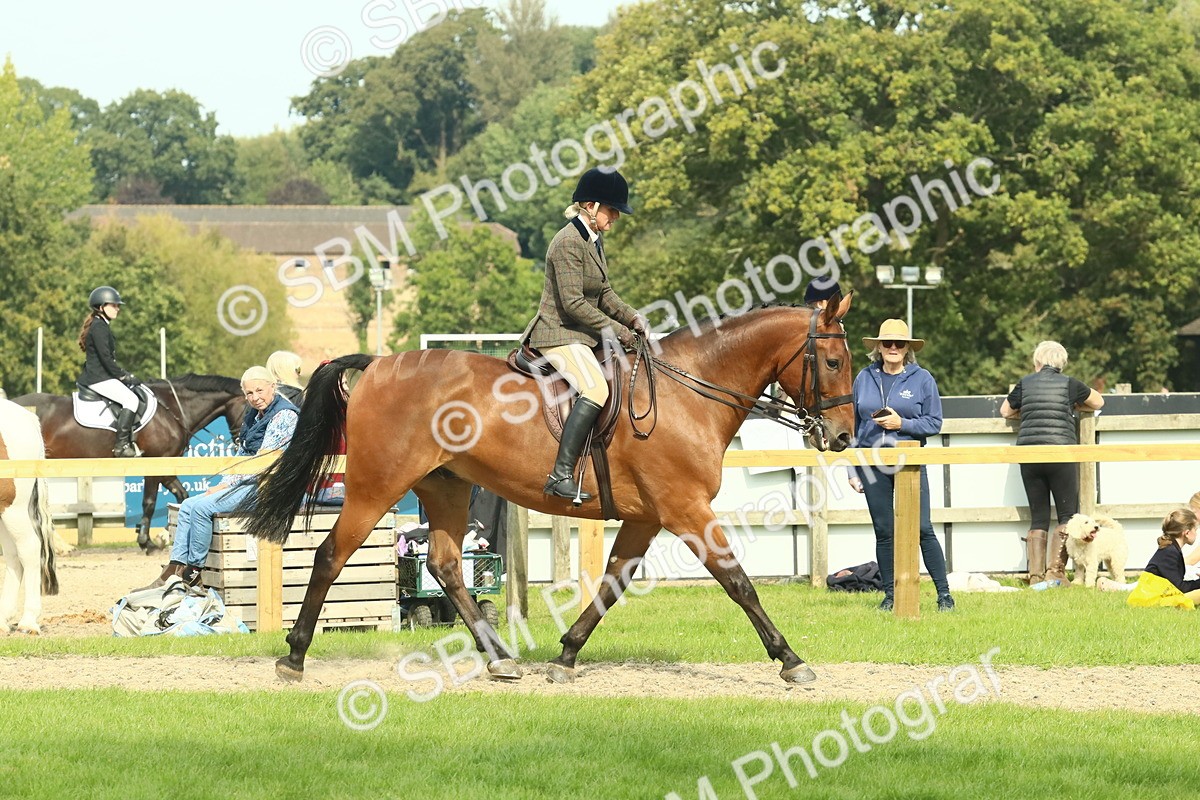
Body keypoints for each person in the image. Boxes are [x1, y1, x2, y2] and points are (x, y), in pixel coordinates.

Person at [522, 166, 647, 502]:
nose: (616, 217)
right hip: (557, 334)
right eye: (611, 209)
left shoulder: (593, 240)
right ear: (590, 206)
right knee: (595, 387)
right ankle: (559, 473)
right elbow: (574, 304)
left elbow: (604, 292)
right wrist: (619, 331)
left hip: (581, 336)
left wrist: (632, 317)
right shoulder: (566, 242)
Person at [135, 366, 299, 590]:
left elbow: (263, 462)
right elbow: (243, 453)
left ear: (273, 387)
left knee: (202, 508)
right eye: (249, 393)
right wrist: (225, 483)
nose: (255, 398)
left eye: (260, 390)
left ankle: (193, 571)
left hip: (269, 486)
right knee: (188, 506)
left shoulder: (284, 415)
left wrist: (229, 485)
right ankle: (175, 567)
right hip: (250, 480)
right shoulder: (252, 413)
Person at [848, 319, 954, 612]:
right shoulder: (863, 378)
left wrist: (901, 423)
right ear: (878, 348)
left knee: (922, 528)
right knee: (884, 531)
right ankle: (890, 596)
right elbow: (853, 427)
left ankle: (944, 595)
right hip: (872, 463)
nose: (893, 348)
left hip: (910, 461)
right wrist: (852, 469)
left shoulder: (923, 379)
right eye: (887, 343)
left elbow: (934, 422)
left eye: (899, 344)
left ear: (908, 348)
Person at [1000, 341, 1104, 584]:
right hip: (1061, 454)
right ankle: (1056, 573)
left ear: (1037, 362)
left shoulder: (1025, 383)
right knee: (1067, 514)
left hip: (1029, 454)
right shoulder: (1070, 384)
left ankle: (1035, 576)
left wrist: (1024, 411)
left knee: (1038, 517)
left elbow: (1005, 411)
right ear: (1061, 363)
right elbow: (1098, 402)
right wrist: (1076, 405)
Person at [77, 286, 143, 458]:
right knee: (131, 400)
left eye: (117, 305)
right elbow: (106, 359)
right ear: (101, 307)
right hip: (99, 378)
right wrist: (123, 375)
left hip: (101, 375)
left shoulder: (101, 325)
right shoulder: (99, 327)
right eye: (113, 305)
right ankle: (121, 445)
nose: (117, 308)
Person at [1130, 508, 1200, 605]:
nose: (1196, 533)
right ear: (1187, 533)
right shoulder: (1170, 553)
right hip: (1151, 600)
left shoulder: (1171, 549)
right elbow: (1180, 588)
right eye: (1195, 530)